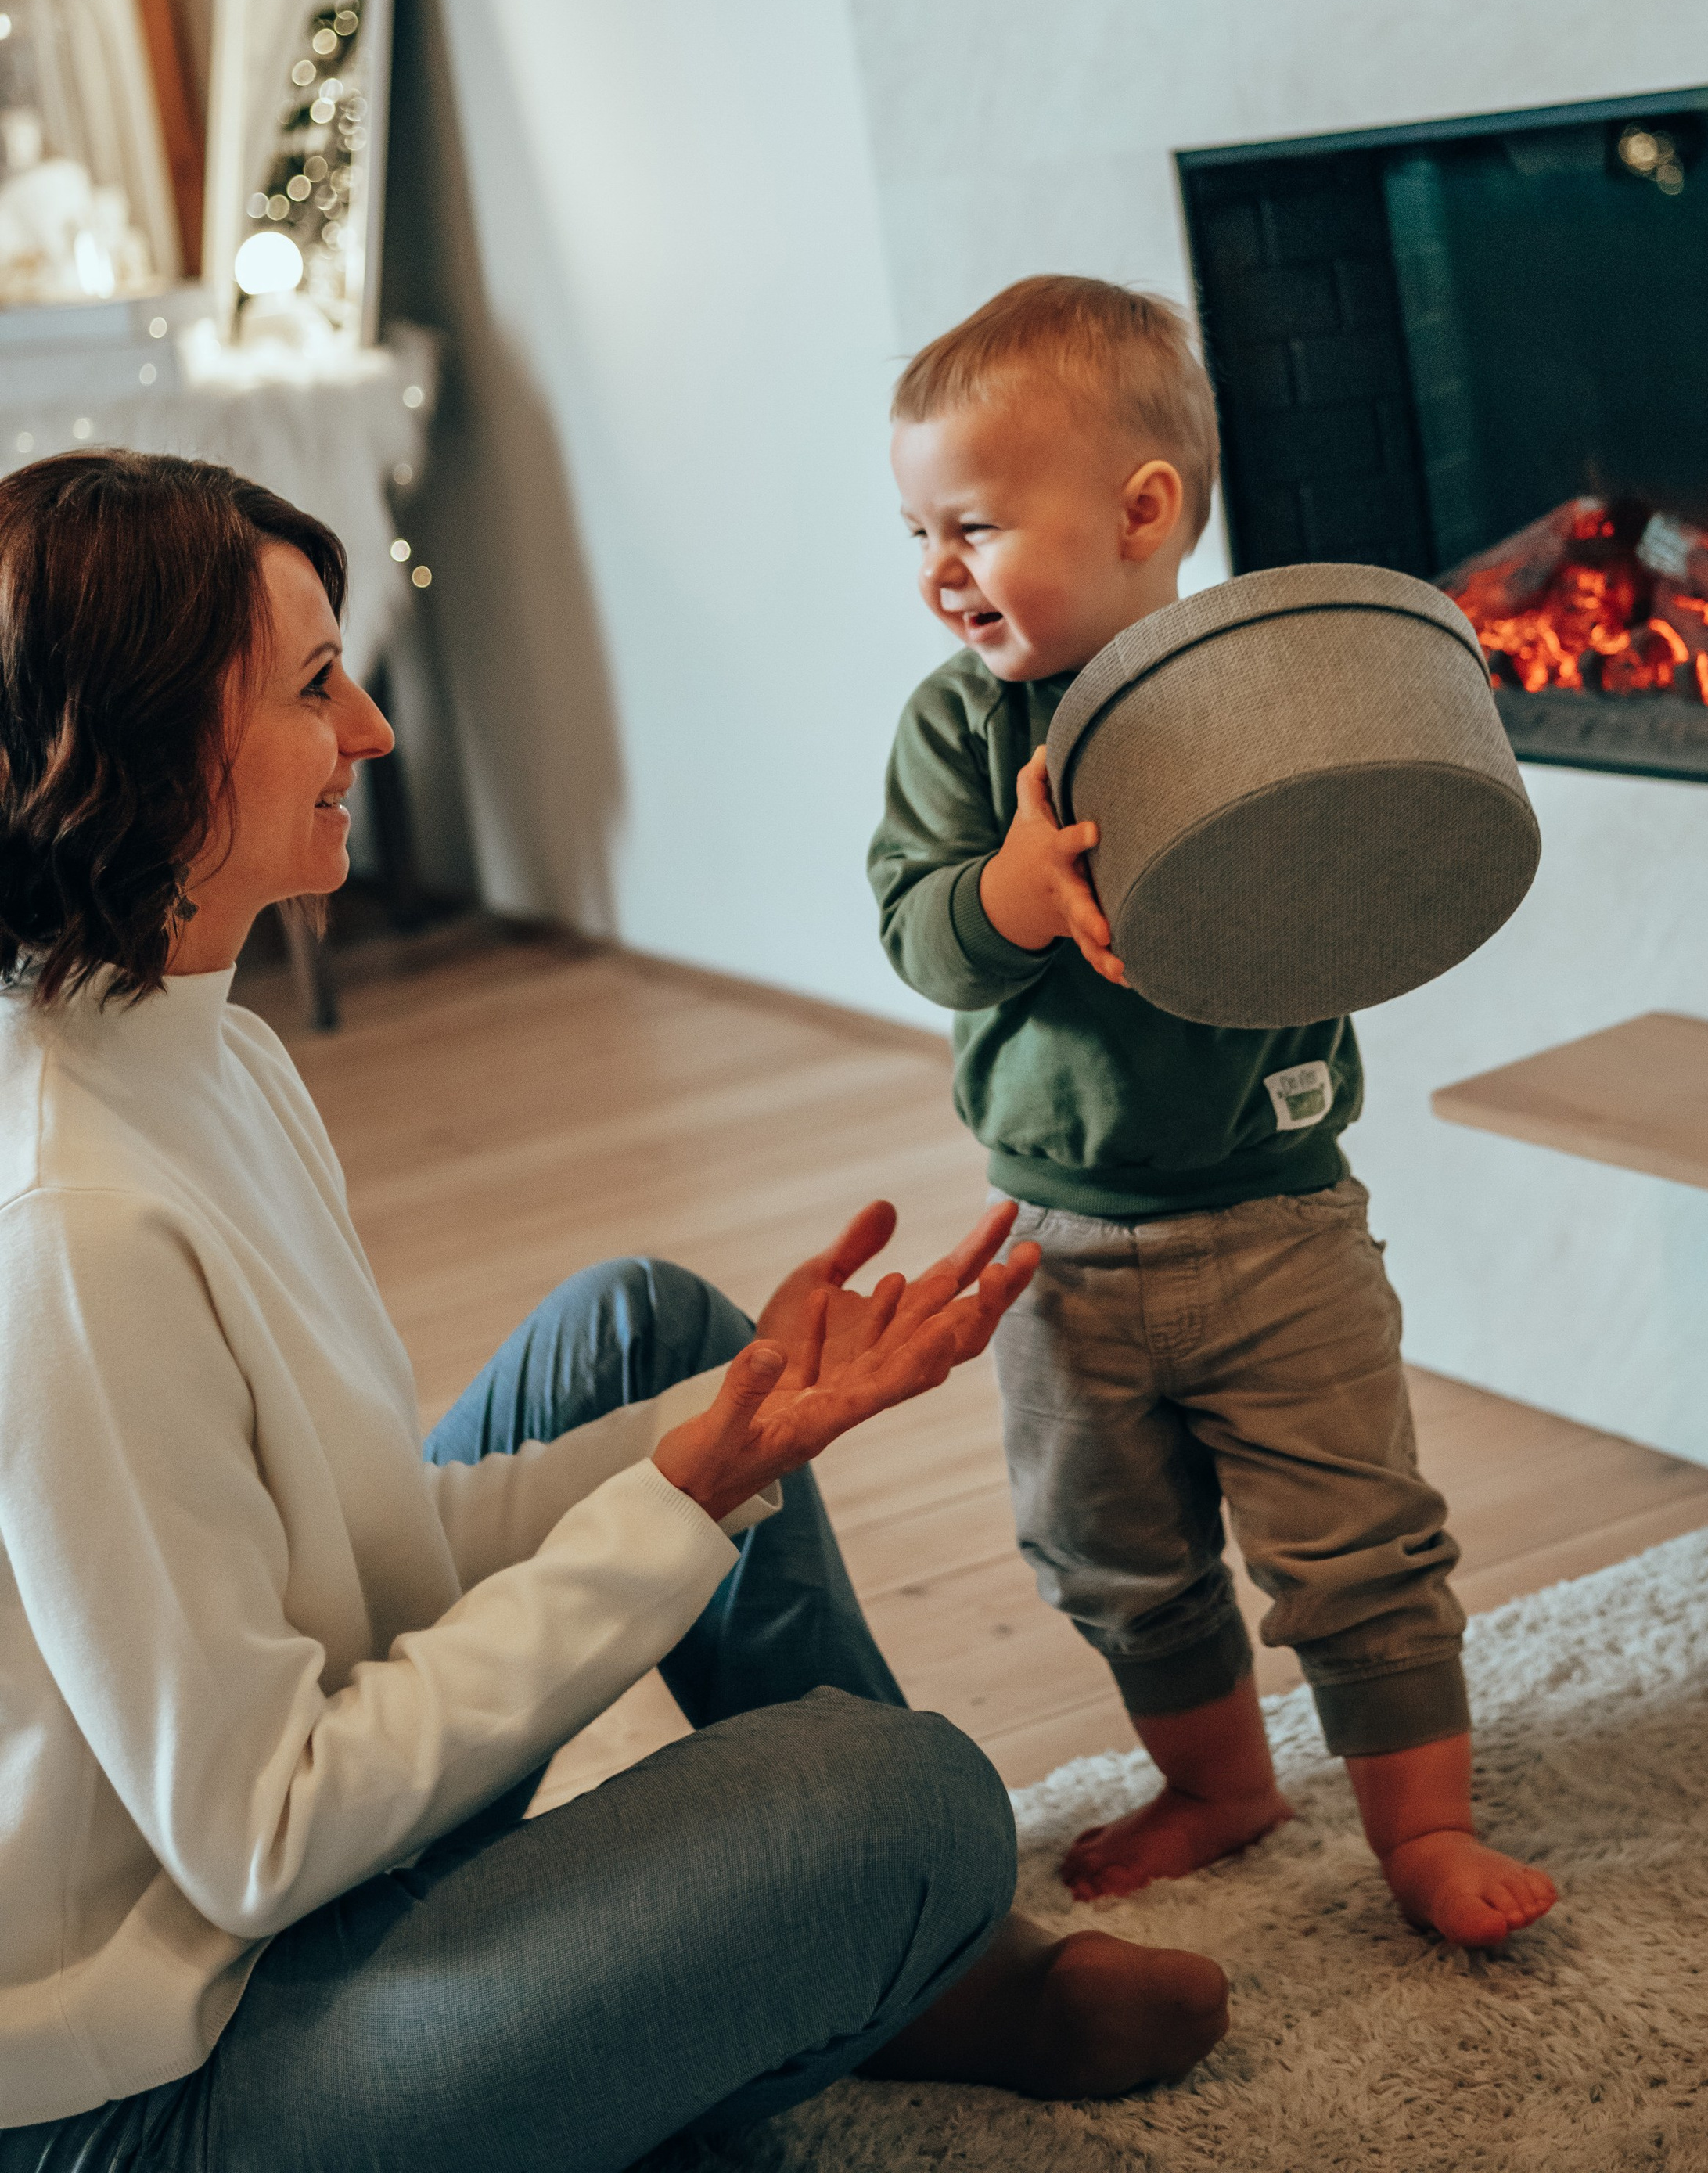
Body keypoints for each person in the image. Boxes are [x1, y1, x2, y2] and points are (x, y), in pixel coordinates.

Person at [0, 448, 1229, 2171]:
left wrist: (721, 1436)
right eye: (310, 685)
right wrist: (675, 1507)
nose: (372, 731)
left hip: (267, 1912)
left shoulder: (207, 1050)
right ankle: (857, 1975)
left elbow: (357, 1558)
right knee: (904, 1804)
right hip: (159, 2077)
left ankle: (925, 1976)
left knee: (649, 1332)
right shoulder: (72, 1227)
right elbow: (264, 1834)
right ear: (128, 756)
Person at [870, 276, 1559, 1944]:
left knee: (1357, 1539)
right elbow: (912, 925)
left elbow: (1378, 860)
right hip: (1053, 1237)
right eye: (917, 534)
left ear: (1141, 510)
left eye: (969, 526)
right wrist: (1009, 896)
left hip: (1276, 1217)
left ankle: (1424, 1830)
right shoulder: (961, 729)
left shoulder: (1277, 679)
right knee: (1106, 1553)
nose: (936, 571)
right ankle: (1219, 1783)